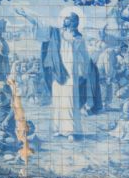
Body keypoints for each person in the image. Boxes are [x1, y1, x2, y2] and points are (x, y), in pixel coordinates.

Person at [16, 8, 93, 137]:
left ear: (74, 22)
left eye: (68, 18)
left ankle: (71, 130)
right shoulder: (56, 33)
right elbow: (40, 24)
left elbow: (84, 57)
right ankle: (58, 129)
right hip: (58, 70)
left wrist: (84, 72)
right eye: (65, 18)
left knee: (69, 100)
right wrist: (27, 16)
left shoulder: (79, 38)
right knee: (58, 100)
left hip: (71, 71)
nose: (65, 20)